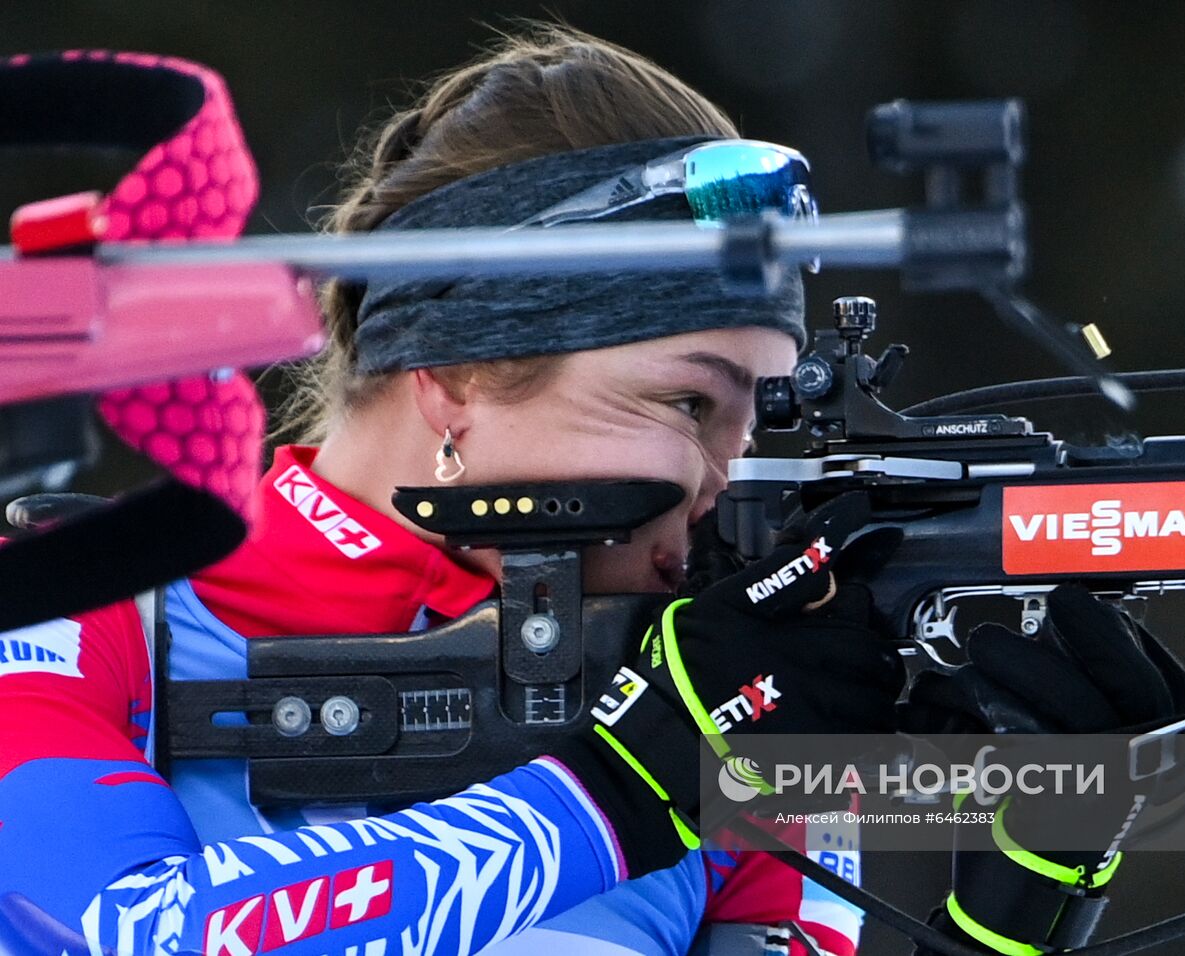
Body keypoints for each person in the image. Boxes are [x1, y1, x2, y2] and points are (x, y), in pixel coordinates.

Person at [0, 25, 906, 956]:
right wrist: (624, 786)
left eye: (762, 423)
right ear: (459, 369)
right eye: (688, 403)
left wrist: (1021, 869)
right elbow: (115, 931)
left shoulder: (709, 696)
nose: (729, 483)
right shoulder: (63, 604)